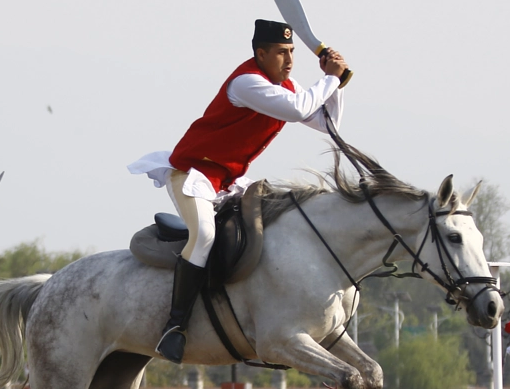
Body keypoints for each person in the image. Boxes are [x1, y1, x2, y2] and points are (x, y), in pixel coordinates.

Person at [128, 19, 349, 364]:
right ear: (261, 54)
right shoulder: (247, 82)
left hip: (228, 182)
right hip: (193, 174)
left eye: (292, 53)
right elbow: (299, 108)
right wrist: (331, 78)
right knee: (202, 237)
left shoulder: (285, 85)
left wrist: (338, 86)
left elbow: (326, 123)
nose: (289, 61)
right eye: (281, 53)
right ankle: (175, 327)